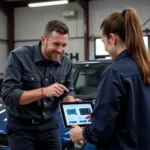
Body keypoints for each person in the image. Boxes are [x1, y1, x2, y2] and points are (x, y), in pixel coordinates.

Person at [70, 8, 150, 150]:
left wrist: (82, 133)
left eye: (103, 41)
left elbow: (101, 130)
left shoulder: (114, 73)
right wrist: (99, 116)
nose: (105, 47)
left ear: (112, 38)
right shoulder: (145, 68)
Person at [2, 20, 81, 150]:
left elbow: (67, 92)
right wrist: (44, 92)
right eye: (56, 44)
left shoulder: (66, 62)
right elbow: (8, 95)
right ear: (43, 39)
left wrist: (70, 103)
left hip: (49, 127)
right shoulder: (19, 57)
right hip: (21, 129)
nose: (60, 50)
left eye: (64, 45)